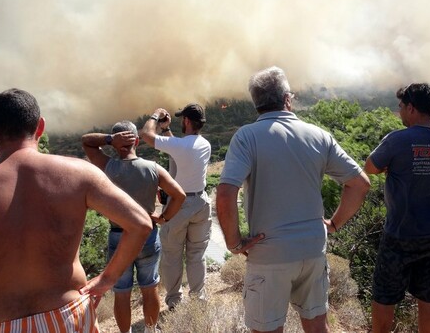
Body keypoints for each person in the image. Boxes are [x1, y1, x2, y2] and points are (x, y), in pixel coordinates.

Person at [0, 89, 152, 332]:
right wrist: (107, 279)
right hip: (67, 318)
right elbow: (140, 223)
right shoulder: (79, 174)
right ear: (40, 127)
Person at [217, 66, 371, 333]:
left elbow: (226, 193)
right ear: (288, 98)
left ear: (256, 104)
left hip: (269, 253)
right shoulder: (318, 136)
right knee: (317, 326)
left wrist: (234, 243)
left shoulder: (246, 137)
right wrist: (333, 224)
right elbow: (359, 184)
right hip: (312, 249)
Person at [364, 83, 430, 333]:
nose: (399, 112)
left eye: (401, 107)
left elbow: (370, 167)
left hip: (402, 232)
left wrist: (391, 166)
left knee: (384, 294)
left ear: (411, 108)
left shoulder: (398, 140)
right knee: (427, 292)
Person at [81, 121, 186, 333]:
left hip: (118, 236)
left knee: (121, 291)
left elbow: (87, 142)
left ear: (116, 144)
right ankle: (149, 330)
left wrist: (110, 140)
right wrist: (164, 218)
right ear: (137, 141)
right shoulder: (153, 168)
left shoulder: (107, 166)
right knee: (150, 287)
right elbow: (179, 195)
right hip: (147, 234)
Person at [140, 103, 211, 310]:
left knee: (172, 256)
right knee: (197, 255)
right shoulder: (204, 144)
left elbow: (146, 135)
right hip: (201, 202)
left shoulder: (180, 146)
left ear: (187, 121)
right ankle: (198, 301)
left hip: (179, 205)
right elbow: (177, 149)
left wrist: (155, 115)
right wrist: (165, 129)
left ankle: (175, 303)